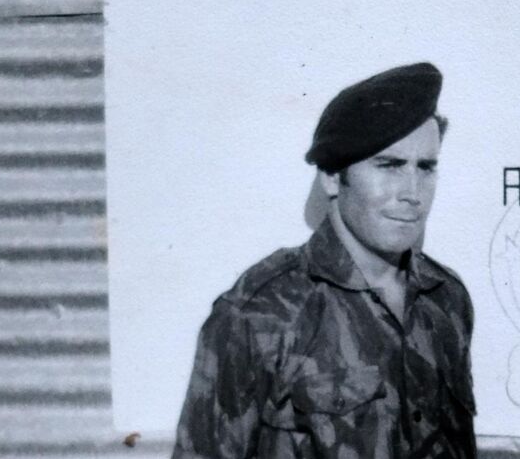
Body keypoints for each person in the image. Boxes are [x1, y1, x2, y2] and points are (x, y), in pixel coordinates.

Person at [172, 62, 476, 459]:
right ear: (332, 177)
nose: (412, 193)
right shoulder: (261, 312)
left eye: (426, 168)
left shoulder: (446, 298)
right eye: (389, 166)